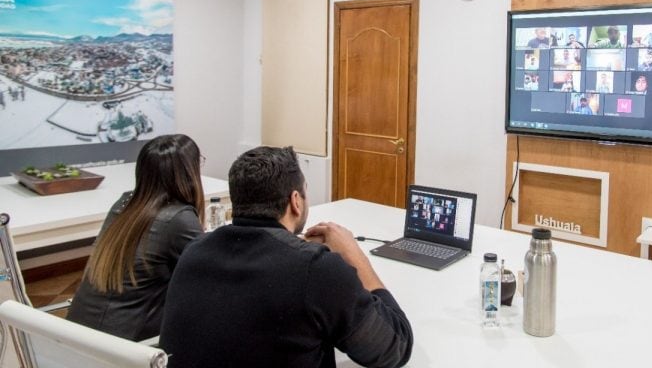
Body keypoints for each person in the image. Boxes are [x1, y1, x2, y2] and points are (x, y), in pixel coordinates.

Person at [159, 146, 413, 368]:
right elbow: (394, 348)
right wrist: (353, 255)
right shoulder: (316, 269)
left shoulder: (194, 252)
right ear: (295, 201)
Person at [67, 134, 205, 340]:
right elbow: (208, 276)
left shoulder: (124, 204)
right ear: (188, 171)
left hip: (75, 337)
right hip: (125, 347)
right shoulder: (178, 218)